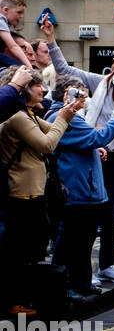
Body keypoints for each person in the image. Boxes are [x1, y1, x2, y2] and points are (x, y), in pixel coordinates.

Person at [40, 17, 114, 287]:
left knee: (110, 213)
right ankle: (84, 272)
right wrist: (51, 40)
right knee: (88, 216)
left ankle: (106, 266)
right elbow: (64, 68)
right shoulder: (101, 82)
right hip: (95, 153)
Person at [0, 67, 82, 313]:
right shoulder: (18, 118)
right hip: (21, 191)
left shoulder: (29, 114)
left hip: (33, 191)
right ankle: (13, 301)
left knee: (30, 248)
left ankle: (24, 298)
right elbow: (47, 144)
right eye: (38, 85)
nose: (44, 90)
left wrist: (69, 113)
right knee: (17, 251)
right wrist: (64, 117)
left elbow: (53, 131)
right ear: (25, 89)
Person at [52, 79, 114, 303]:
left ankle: (82, 283)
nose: (84, 98)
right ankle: (67, 287)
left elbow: (90, 141)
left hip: (87, 192)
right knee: (71, 241)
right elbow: (99, 136)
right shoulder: (63, 118)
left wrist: (95, 146)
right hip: (76, 192)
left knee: (85, 240)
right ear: (66, 94)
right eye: (79, 94)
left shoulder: (76, 119)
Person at [0, 0, 31, 67]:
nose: (21, 16)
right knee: (19, 67)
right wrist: (29, 67)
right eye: (19, 12)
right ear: (6, 10)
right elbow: (13, 46)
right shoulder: (1, 20)